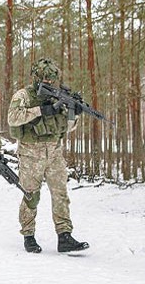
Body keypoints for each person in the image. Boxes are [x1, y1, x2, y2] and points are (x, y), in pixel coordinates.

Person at [7, 57, 89, 254]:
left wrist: (73, 113)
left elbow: (67, 128)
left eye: (52, 80)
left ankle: (64, 235)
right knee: (31, 195)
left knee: (60, 194)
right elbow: (12, 117)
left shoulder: (58, 97)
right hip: (30, 153)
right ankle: (28, 235)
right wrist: (41, 110)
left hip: (54, 151)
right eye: (46, 80)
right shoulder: (24, 95)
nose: (50, 84)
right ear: (36, 78)